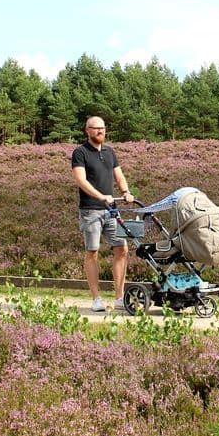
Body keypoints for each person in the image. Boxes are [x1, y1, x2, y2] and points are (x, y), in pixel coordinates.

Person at [71, 116, 134, 311]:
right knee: (92, 252)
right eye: (96, 128)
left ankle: (119, 297)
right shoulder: (80, 153)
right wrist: (101, 196)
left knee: (122, 249)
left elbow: (119, 175)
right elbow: (81, 180)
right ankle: (96, 298)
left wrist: (125, 192)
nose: (100, 132)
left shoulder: (109, 152)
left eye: (103, 128)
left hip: (111, 210)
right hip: (91, 210)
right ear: (87, 130)